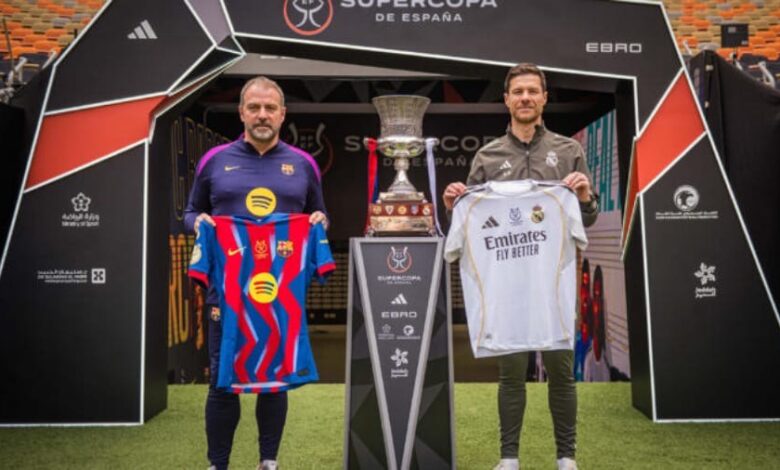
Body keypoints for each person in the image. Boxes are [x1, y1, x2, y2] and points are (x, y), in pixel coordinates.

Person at [442, 63, 599, 470]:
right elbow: (469, 221)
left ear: (544, 98)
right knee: (511, 374)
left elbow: (590, 219)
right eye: (518, 92)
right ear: (507, 99)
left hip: (555, 282)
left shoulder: (568, 151)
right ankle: (509, 457)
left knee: (562, 372)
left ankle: (566, 456)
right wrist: (454, 204)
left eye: (533, 91)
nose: (526, 98)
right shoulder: (488, 155)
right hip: (507, 286)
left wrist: (583, 198)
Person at [184, 76, 328, 470]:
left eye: (270, 108)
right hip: (227, 293)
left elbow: (319, 213)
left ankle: (268, 461)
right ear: (241, 112)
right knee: (222, 383)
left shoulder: (303, 164)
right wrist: (201, 224)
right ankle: (218, 464)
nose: (262, 115)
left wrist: (319, 221)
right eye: (254, 107)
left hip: (277, 293)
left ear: (283, 114)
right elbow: (190, 212)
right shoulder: (215, 161)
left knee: (275, 379)